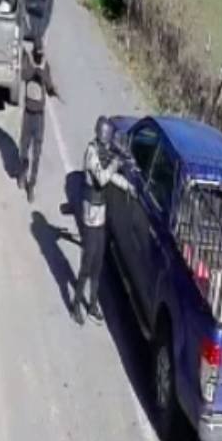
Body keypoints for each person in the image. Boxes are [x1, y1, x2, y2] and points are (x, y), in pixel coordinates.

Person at [72, 117, 134, 325]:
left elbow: (113, 177)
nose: (108, 145)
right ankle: (75, 304)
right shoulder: (91, 153)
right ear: (102, 136)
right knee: (87, 263)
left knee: (99, 262)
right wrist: (117, 163)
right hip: (90, 215)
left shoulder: (103, 151)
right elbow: (102, 177)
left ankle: (92, 303)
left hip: (100, 214)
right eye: (107, 141)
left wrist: (128, 186)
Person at [18, 38, 57, 202]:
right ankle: (22, 171)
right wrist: (35, 70)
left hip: (39, 116)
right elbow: (24, 75)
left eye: (41, 55)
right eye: (38, 54)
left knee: (37, 153)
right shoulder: (28, 60)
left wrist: (47, 82)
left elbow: (49, 87)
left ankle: (31, 184)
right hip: (28, 113)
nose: (40, 56)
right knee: (23, 147)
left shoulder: (45, 66)